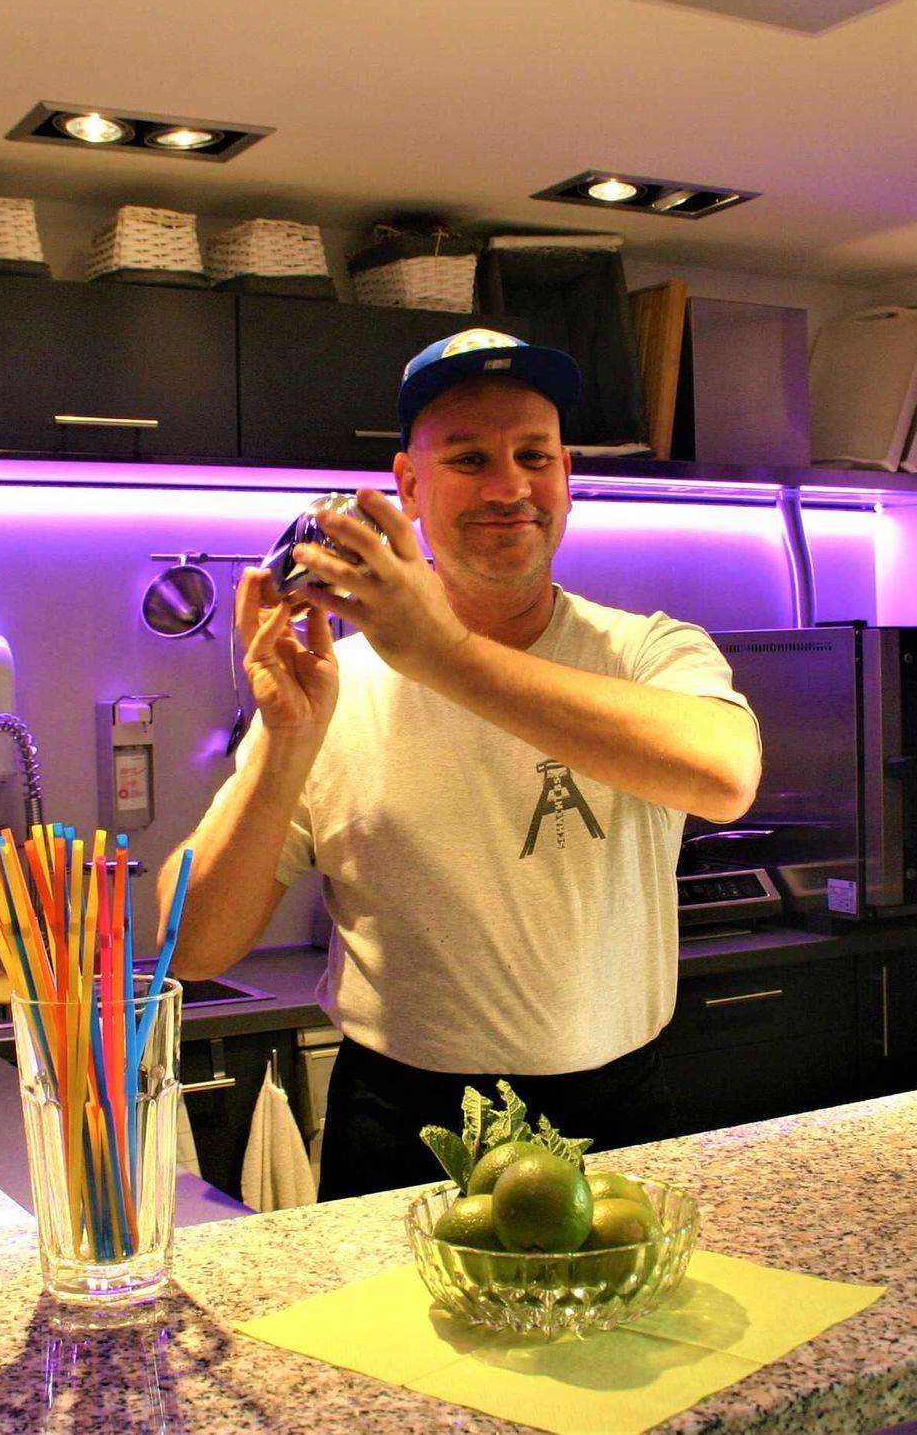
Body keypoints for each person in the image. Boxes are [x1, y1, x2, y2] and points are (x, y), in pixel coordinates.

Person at [158, 328, 762, 1199]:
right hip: (402, 1123)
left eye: (535, 456)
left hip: (618, 1113)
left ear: (566, 477)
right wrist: (285, 743)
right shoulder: (333, 685)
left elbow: (725, 777)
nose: (510, 487)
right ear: (409, 486)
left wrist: (442, 654)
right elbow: (192, 947)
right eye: (471, 459)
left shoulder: (649, 652)